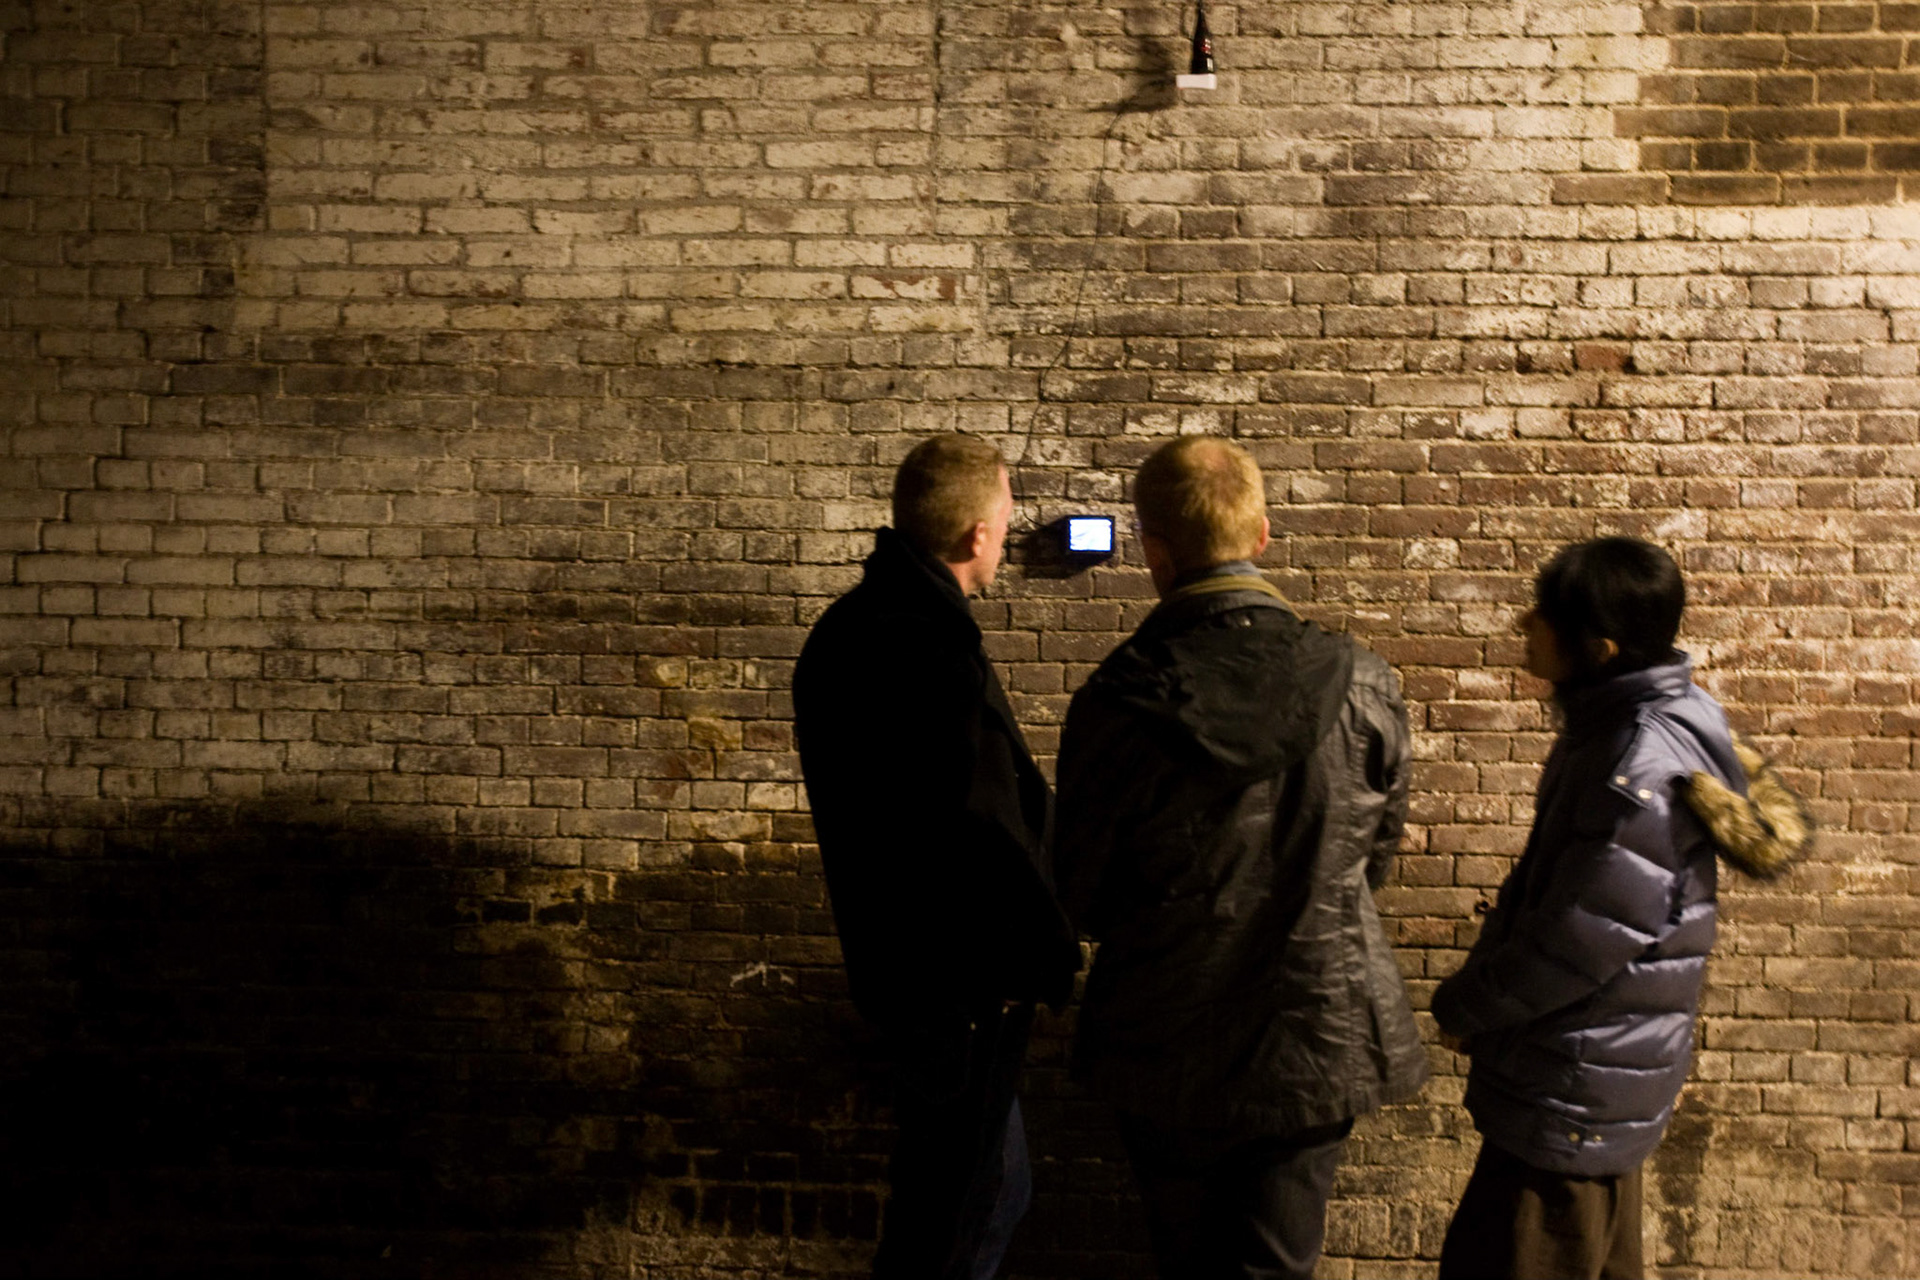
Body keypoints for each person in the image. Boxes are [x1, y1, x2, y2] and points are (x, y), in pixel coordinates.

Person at [1053, 436, 1429, 1280]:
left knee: (1183, 1257)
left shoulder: (1119, 701)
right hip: (1318, 1023)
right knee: (1278, 1262)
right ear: (1261, 535)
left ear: (1154, 552)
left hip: (1165, 1031)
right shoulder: (1364, 684)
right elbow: (1373, 861)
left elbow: (1080, 890)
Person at [1431, 537, 1813, 1280]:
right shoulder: (1620, 724)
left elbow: (1578, 941)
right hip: (1588, 1079)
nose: (1523, 624)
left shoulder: (1636, 765)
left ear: (1598, 647)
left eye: (1543, 614)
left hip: (1572, 1088)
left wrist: (1466, 1004)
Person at [793, 433, 1080, 1280]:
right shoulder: (929, 649)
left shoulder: (850, 629)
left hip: (906, 970)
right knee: (961, 1207)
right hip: (955, 986)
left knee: (974, 1193)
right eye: (1002, 516)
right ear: (977, 536)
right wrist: (1052, 944)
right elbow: (980, 824)